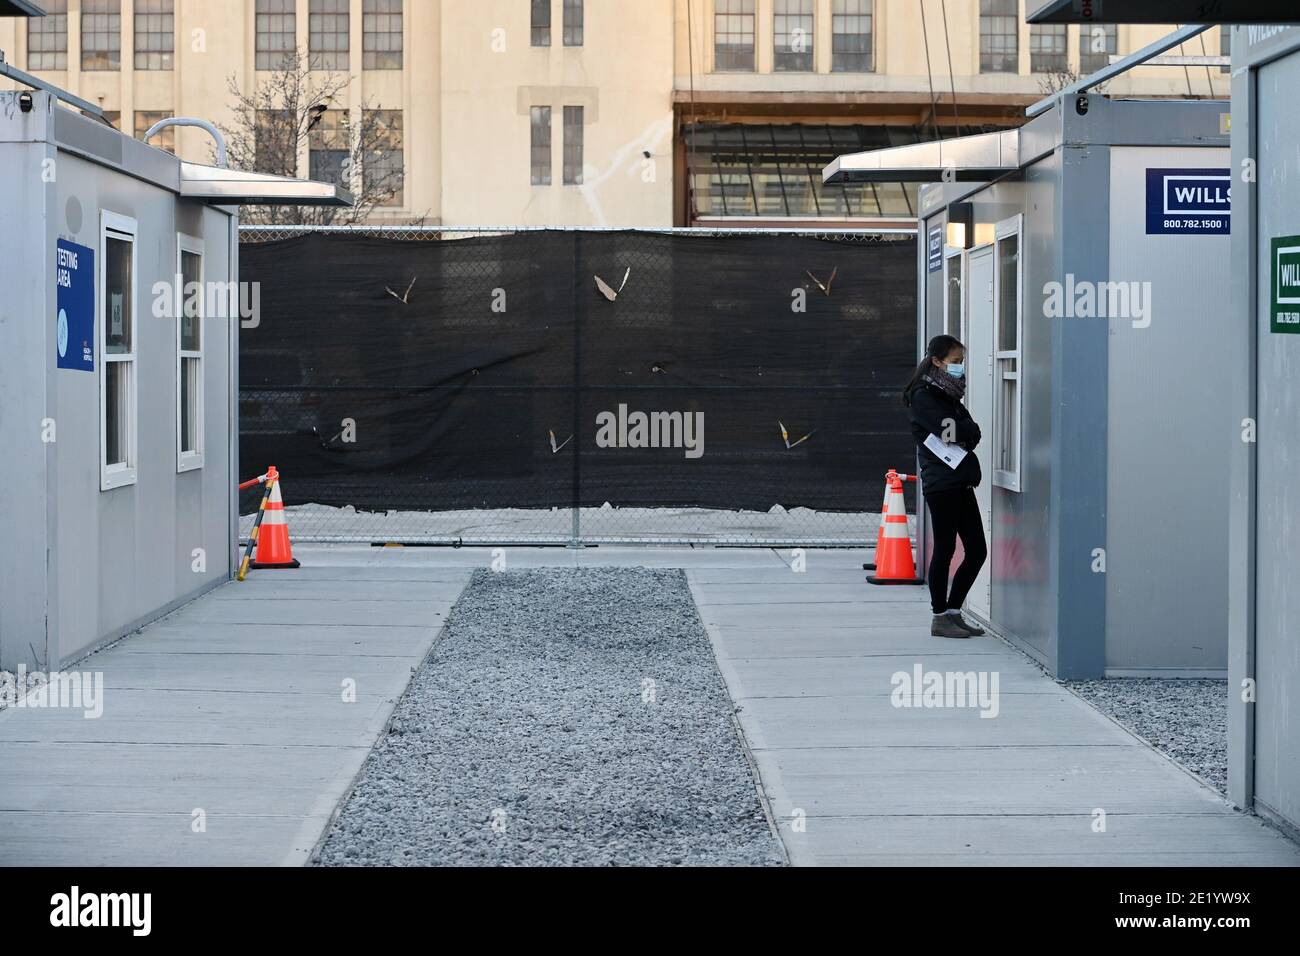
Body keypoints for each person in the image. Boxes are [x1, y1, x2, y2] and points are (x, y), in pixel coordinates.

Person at [902, 335, 988, 638]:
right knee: (946, 548)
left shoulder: (947, 394)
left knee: (977, 550)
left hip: (960, 480)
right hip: (942, 483)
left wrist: (964, 430)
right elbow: (951, 432)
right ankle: (939, 616)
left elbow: (973, 433)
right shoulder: (924, 396)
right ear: (938, 361)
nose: (960, 368)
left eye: (962, 362)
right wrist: (964, 430)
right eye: (955, 362)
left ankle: (953, 611)